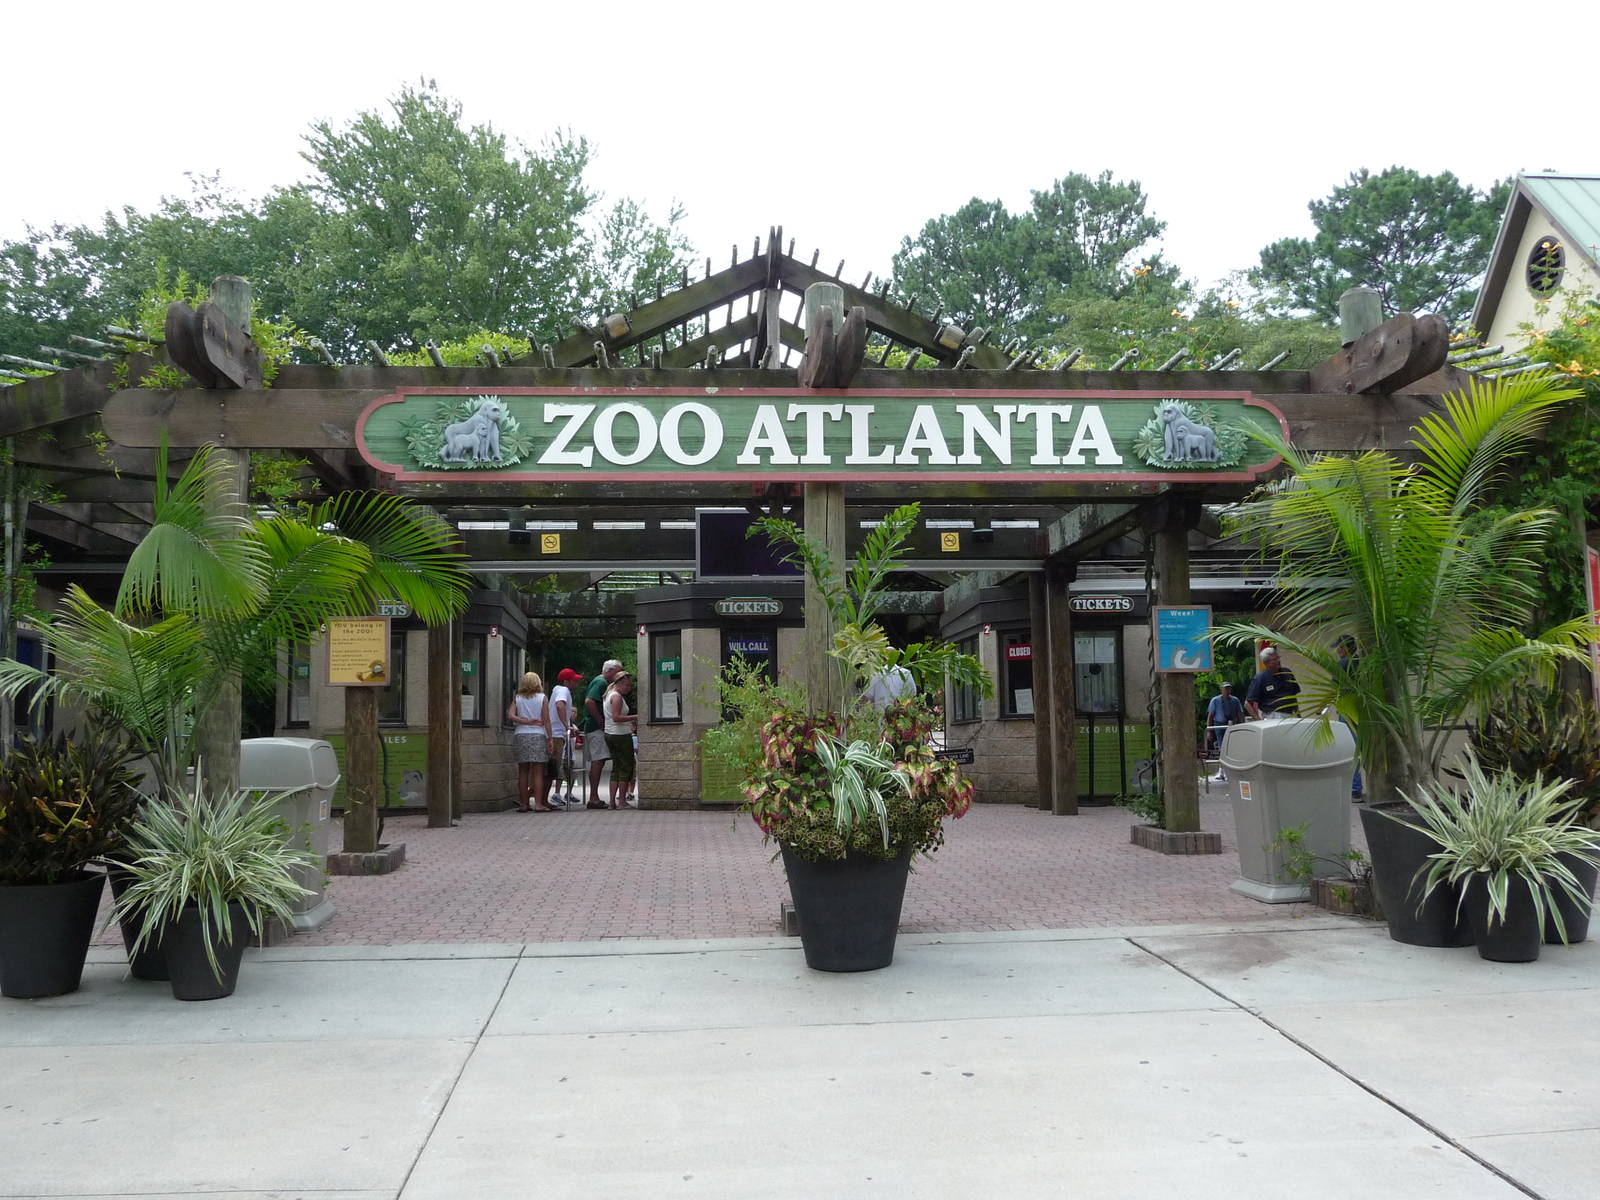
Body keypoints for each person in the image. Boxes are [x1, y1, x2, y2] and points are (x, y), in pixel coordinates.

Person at [507, 671, 554, 812]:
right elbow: (546, 720)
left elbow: (510, 715)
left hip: (521, 734)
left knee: (523, 771)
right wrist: (550, 738)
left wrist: (525, 721)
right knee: (538, 772)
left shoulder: (518, 698)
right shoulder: (542, 698)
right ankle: (538, 804)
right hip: (538, 735)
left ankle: (524, 804)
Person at [582, 659, 623, 809]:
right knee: (598, 760)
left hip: (595, 727)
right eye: (618, 672)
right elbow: (589, 701)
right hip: (595, 728)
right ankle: (593, 797)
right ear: (610, 671)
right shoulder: (600, 682)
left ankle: (594, 796)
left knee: (599, 760)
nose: (619, 675)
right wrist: (600, 720)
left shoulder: (601, 683)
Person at [544, 667, 582, 808]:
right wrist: (567, 726)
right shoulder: (563, 691)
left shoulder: (556, 690)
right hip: (557, 734)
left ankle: (543, 799)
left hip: (555, 732)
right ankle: (544, 800)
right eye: (574, 681)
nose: (576, 683)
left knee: (551, 767)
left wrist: (570, 725)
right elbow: (560, 706)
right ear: (566, 681)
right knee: (553, 767)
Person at [1333, 635, 1364, 800]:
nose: (1337, 651)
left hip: (1347, 711)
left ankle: (1355, 788)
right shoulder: (1363, 662)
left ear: (1344, 648)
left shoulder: (1343, 664)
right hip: (1364, 710)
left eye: (1338, 648)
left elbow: (1334, 687)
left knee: (1350, 750)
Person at [603, 670, 639, 808]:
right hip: (620, 735)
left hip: (610, 733)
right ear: (619, 683)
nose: (628, 689)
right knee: (626, 767)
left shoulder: (608, 695)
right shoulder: (617, 696)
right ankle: (622, 801)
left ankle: (612, 801)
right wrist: (635, 717)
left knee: (616, 767)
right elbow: (616, 717)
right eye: (627, 685)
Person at [1245, 646, 1300, 719]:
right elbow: (1247, 703)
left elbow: (1293, 696)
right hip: (1273, 716)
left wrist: (1298, 715)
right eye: (1274, 659)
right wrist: (1258, 721)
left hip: (1291, 714)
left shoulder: (1287, 673)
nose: (1278, 661)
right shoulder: (1260, 678)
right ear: (1266, 663)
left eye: (1278, 657)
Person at [1206, 682, 1245, 780]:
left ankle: (1229, 770)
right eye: (1225, 689)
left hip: (1231, 725)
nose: (1227, 691)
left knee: (1231, 748)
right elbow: (1210, 715)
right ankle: (1222, 771)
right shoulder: (1215, 700)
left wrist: (1243, 725)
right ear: (1221, 690)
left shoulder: (1235, 700)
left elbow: (1240, 713)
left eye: (1229, 689)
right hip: (1219, 725)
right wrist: (1209, 731)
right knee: (1222, 747)